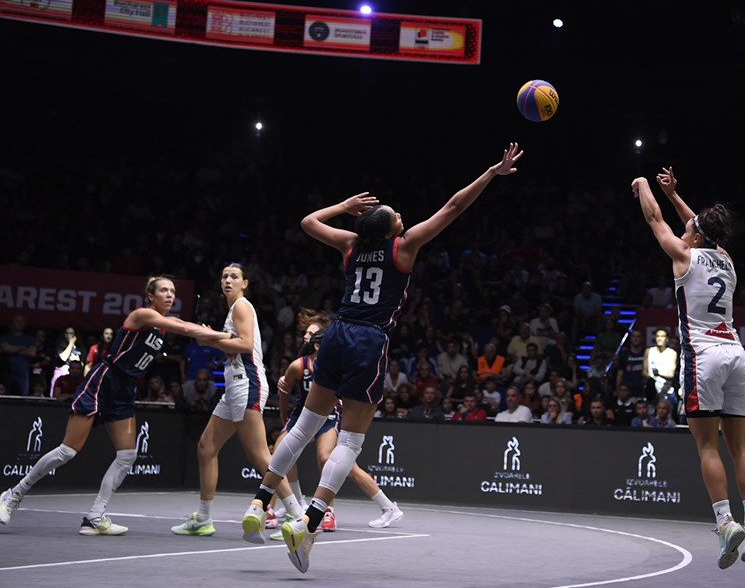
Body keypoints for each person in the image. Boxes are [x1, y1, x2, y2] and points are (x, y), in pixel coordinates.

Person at [257, 142, 524, 573]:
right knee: (351, 441)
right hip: (367, 339)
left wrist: (342, 206)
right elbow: (454, 207)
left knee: (304, 425)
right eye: (397, 216)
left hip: (337, 331)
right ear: (389, 231)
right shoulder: (403, 246)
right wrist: (492, 172)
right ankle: (307, 523)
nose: (402, 217)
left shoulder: (349, 243)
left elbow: (308, 222)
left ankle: (263, 501)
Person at [0, 275, 233, 535]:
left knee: (127, 455)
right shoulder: (142, 315)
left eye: (173, 291)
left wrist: (219, 340)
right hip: (105, 381)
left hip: (125, 389)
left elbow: (190, 329)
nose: (169, 295)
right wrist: (223, 333)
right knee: (68, 451)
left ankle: (96, 516)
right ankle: (13, 494)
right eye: (163, 290)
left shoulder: (165, 324)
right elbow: (188, 330)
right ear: (150, 296)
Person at [632, 166, 745, 569]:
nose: (685, 227)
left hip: (703, 355)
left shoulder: (683, 255)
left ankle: (726, 523)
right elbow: (702, 227)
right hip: (736, 355)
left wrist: (643, 186)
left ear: (694, 236)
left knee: (707, 445)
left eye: (689, 227)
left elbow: (654, 219)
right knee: (739, 446)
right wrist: (676, 194)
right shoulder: (725, 258)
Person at [253, 310, 404, 539]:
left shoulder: (337, 357)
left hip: (330, 417)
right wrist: (285, 420)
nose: (306, 336)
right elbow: (285, 393)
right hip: (303, 415)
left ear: (321, 341)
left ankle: (337, 510)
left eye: (311, 333)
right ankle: (291, 506)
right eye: (305, 333)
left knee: (332, 460)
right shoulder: (299, 365)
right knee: (284, 449)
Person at [172, 263, 272, 539]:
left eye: (234, 276)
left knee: (260, 455)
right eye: (224, 276)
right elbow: (233, 344)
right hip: (232, 388)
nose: (228, 280)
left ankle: (296, 513)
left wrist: (212, 339)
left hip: (247, 383)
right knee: (206, 447)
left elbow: (244, 344)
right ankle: (203, 519)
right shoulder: (232, 310)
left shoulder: (241, 306)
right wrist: (213, 337)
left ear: (245, 283)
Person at [643, 327, 678, 403]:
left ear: (667, 339)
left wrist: (658, 374)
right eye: (657, 336)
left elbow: (671, 375)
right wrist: (651, 379)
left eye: (662, 336)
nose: (659, 338)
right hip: (651, 391)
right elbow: (644, 372)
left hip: (667, 391)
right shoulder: (648, 351)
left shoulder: (672, 353)